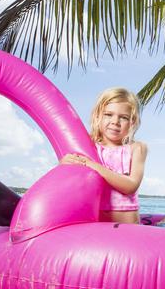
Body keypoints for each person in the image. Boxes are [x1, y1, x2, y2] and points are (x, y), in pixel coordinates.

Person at [61, 87, 147, 224]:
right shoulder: (88, 147)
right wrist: (65, 163)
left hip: (128, 227)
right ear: (98, 116)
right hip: (97, 226)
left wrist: (93, 166)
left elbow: (131, 186)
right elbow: (71, 182)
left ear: (132, 122)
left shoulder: (137, 148)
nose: (115, 121)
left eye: (123, 117)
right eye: (108, 114)